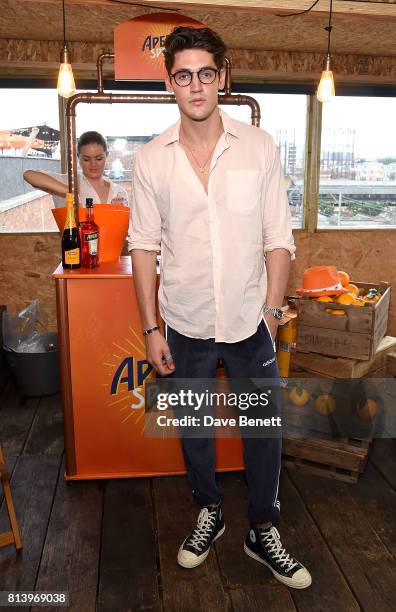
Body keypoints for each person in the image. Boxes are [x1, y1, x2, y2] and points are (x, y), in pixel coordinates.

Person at [129, 26, 312, 590]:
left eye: (206, 73)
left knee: (263, 429)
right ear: (170, 84)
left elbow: (278, 238)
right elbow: (143, 248)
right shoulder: (151, 160)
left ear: (223, 77)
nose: (196, 85)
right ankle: (208, 510)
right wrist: (151, 329)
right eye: (183, 75)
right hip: (181, 322)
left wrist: (273, 310)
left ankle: (263, 527)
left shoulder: (258, 147)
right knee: (194, 427)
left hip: (248, 321)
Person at [23, 131, 129, 208]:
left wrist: (119, 211)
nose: (93, 164)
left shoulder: (118, 192)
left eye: (99, 158)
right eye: (87, 159)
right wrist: (70, 192)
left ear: (107, 155)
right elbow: (29, 175)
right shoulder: (69, 182)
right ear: (78, 157)